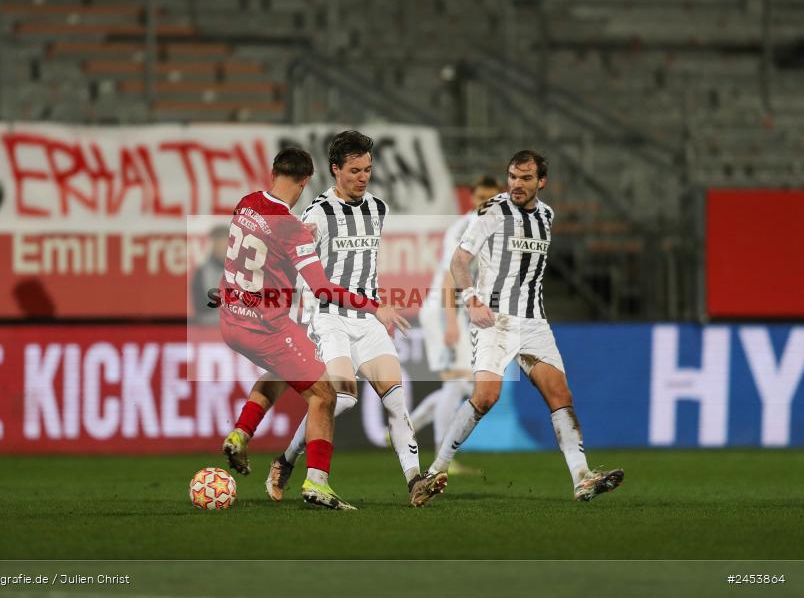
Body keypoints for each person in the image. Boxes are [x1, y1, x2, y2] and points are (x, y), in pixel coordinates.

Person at [257, 131, 446, 507]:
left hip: (368, 320)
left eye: (368, 169)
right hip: (328, 318)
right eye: (355, 170)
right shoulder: (316, 215)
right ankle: (285, 461)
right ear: (335, 170)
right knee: (340, 399)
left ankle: (414, 480)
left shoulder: (378, 208)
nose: (363, 177)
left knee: (395, 400)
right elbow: (297, 264)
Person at [217, 146, 409, 511]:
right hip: (265, 327)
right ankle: (317, 483)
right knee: (324, 394)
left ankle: (241, 433)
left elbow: (245, 260)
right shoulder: (292, 228)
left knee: (278, 370)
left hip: (232, 319)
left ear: (274, 171)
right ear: (306, 181)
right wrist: (374, 306)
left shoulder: (246, 203)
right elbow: (322, 288)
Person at [428, 150, 625, 502]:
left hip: (534, 322)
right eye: (512, 177)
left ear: (541, 182)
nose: (516, 185)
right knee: (485, 397)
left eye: (525, 179)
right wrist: (472, 300)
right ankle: (436, 470)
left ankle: (582, 476)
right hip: (495, 321)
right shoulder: (492, 211)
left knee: (560, 396)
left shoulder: (547, 216)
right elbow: (460, 260)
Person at [411, 176, 501, 474]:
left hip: (458, 312)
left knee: (462, 383)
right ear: (472, 199)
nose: (485, 203)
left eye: (490, 197)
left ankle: (411, 422)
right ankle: (442, 457)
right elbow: (451, 277)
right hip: (442, 309)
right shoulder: (463, 228)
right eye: (480, 198)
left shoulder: (494, 229)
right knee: (456, 380)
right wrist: (450, 322)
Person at [190, 224, 229, 325]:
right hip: (208, 329)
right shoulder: (202, 272)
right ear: (213, 245)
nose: (222, 249)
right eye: (218, 244)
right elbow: (201, 307)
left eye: (225, 245)